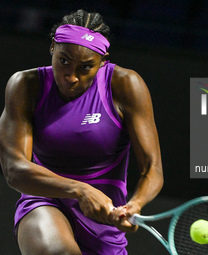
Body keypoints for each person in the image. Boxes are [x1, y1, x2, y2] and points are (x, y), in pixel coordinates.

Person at [0, 9, 164, 255]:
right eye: (64, 61)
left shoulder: (126, 85)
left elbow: (153, 168)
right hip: (44, 202)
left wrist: (134, 205)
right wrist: (81, 190)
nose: (71, 77)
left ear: (103, 61)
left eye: (85, 67)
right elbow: (14, 170)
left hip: (105, 221)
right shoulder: (25, 86)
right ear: (53, 47)